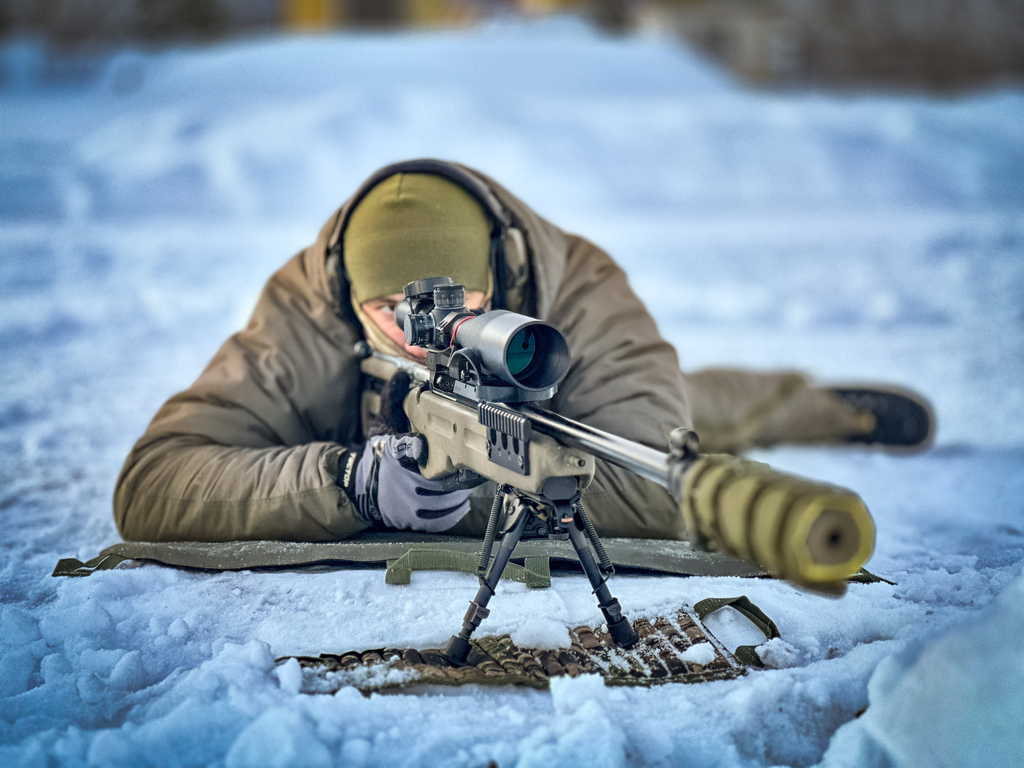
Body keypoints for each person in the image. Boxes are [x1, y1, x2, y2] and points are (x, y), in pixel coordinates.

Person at [113, 159, 933, 543]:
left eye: (454, 307)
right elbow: (156, 479)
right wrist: (346, 482)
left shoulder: (579, 285)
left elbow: (651, 488)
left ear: (500, 276)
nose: (416, 334)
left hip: (569, 410)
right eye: (386, 313)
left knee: (702, 414)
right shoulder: (302, 309)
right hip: (352, 424)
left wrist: (464, 491)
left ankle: (828, 407)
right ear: (345, 299)